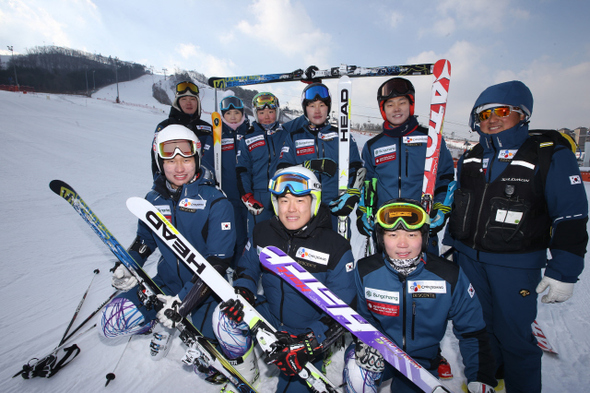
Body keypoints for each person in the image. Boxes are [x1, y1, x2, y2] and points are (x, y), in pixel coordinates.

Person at [444, 80, 589, 392]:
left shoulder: (548, 154)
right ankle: (488, 380)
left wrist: (564, 271)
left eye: (501, 111)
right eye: (483, 114)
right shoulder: (471, 156)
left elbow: (572, 215)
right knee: (476, 329)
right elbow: (461, 206)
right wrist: (451, 248)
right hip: (469, 262)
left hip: (515, 265)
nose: (491, 119)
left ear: (522, 114)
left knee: (514, 336)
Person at [101, 125, 236, 369]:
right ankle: (161, 322)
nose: (179, 167)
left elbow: (218, 264)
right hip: (166, 283)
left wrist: (183, 305)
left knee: (217, 358)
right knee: (111, 322)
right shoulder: (153, 199)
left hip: (206, 291)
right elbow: (145, 241)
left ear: (197, 157)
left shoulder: (215, 201)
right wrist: (129, 265)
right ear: (159, 162)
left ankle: (179, 322)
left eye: (186, 159)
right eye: (170, 160)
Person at [212, 166, 357, 392]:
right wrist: (243, 292)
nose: (291, 209)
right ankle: (246, 372)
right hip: (270, 316)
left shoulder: (335, 247)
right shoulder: (263, 232)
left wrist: (310, 341)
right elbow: (247, 268)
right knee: (223, 317)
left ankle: (318, 358)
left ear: (314, 202)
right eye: (283, 200)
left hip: (306, 332)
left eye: (300, 200)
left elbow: (344, 307)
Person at [344, 200, 496, 393]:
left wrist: (480, 376)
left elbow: (472, 331)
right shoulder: (366, 271)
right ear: (381, 238)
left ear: (423, 238)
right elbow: (361, 318)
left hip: (421, 366)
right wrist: (366, 341)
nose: (402, 244)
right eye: (392, 234)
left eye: (412, 234)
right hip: (383, 354)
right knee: (357, 372)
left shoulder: (448, 275)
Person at [356, 77, 455, 254]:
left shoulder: (431, 139)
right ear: (383, 109)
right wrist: (364, 211)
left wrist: (440, 208)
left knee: (423, 278)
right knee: (385, 278)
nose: (396, 109)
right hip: (387, 225)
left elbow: (444, 177)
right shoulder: (373, 146)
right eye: (390, 104)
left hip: (421, 224)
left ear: (411, 105)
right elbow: (368, 184)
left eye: (402, 102)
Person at [277, 82, 364, 233]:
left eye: (322, 105)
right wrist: (310, 165)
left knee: (338, 253)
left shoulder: (342, 136)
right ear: (305, 109)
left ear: (328, 107)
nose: (317, 111)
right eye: (311, 105)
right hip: (304, 209)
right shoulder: (294, 137)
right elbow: (281, 172)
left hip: (335, 207)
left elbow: (357, 168)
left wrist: (351, 194)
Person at [202, 95, 250, 270]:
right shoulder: (217, 136)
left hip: (248, 195)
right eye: (228, 113)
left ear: (243, 114)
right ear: (222, 116)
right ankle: (235, 268)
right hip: (228, 196)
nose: (233, 116)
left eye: (236, 112)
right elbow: (206, 164)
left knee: (251, 235)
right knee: (234, 235)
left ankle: (249, 268)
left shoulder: (250, 132)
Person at [236, 92, 291, 240]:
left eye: (271, 112)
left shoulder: (287, 133)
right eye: (261, 112)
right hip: (259, 197)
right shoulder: (247, 138)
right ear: (255, 113)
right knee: (258, 238)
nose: (267, 116)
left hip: (285, 194)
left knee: (286, 238)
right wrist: (247, 195)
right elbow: (242, 170)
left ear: (277, 112)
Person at [151, 80, 212, 177]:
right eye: (184, 99)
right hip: (175, 180)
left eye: (192, 99)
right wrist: (160, 183)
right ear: (177, 103)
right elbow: (156, 159)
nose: (189, 103)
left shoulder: (208, 128)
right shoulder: (165, 127)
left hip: (203, 183)